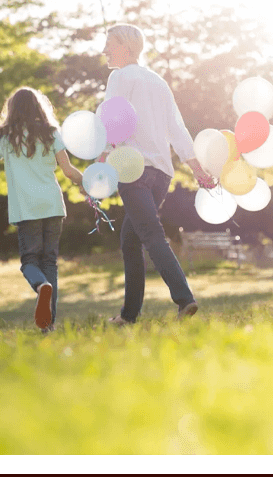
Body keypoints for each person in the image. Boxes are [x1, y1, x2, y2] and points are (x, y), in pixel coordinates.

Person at [99, 24, 216, 325]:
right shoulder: (157, 81)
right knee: (130, 241)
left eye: (109, 44)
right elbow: (177, 127)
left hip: (132, 168)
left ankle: (184, 299)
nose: (104, 50)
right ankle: (128, 315)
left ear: (125, 47)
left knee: (151, 234)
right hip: (162, 172)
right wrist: (197, 169)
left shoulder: (119, 76)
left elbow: (112, 118)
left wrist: (101, 160)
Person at [0, 87, 84, 332]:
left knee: (30, 260)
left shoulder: (6, 135)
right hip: (52, 205)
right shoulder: (51, 133)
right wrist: (87, 184)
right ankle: (48, 325)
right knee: (50, 262)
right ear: (39, 107)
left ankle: (41, 287)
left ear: (12, 109)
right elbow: (68, 171)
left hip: (26, 209)